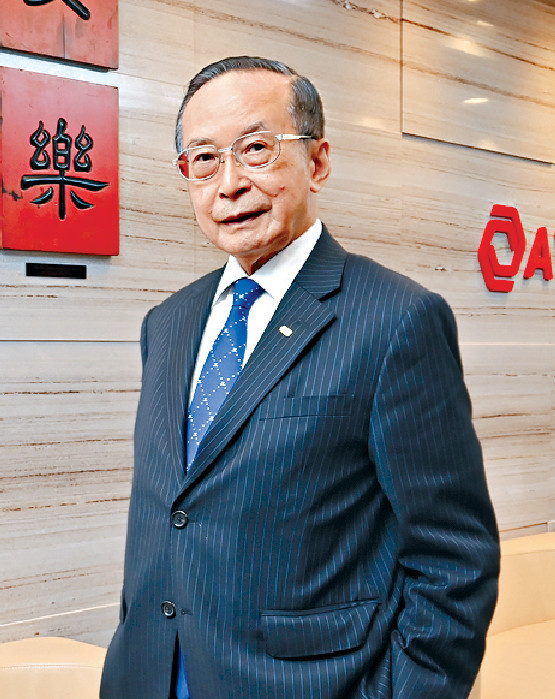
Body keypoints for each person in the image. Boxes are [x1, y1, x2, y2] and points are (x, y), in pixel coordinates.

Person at [100, 56, 500, 699]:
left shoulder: (395, 319)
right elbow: (173, 513)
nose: (229, 184)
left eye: (256, 149)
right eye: (204, 160)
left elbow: (453, 558)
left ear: (317, 162)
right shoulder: (167, 324)